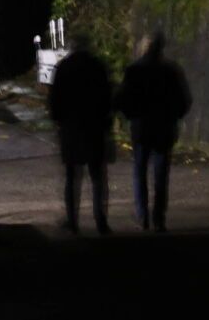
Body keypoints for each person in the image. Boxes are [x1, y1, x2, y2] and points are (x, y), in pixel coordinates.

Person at [114, 29, 191, 232]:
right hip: (164, 126)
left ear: (145, 47)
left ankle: (142, 215)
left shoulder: (134, 70)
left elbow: (122, 98)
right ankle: (159, 217)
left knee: (140, 170)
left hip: (141, 126)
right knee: (161, 173)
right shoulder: (172, 70)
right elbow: (184, 99)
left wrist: (131, 115)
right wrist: (174, 116)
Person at [46, 33, 113, 234]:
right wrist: (106, 123)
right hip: (94, 127)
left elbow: (55, 99)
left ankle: (72, 220)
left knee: (72, 176)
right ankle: (100, 220)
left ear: (73, 47)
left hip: (71, 127)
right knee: (98, 177)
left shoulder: (64, 67)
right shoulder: (98, 67)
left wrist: (58, 121)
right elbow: (107, 97)